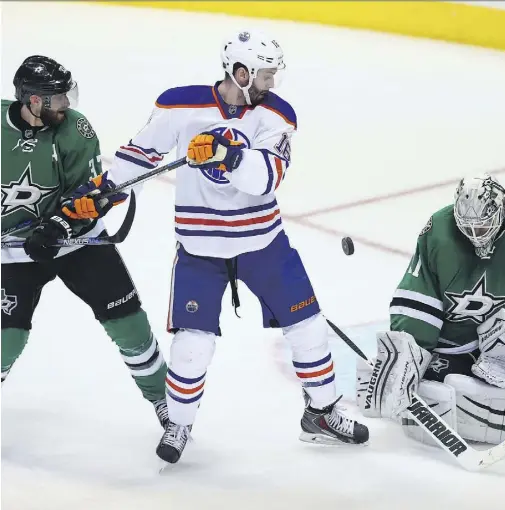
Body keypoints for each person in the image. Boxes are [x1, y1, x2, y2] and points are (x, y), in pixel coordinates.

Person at [63, 30, 369, 464]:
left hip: (264, 245)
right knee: (191, 346)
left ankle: (321, 413)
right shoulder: (180, 104)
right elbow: (142, 152)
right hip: (200, 249)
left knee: (310, 330)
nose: (272, 84)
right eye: (264, 75)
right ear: (240, 73)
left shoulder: (276, 115)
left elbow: (267, 178)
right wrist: (107, 189)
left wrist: (229, 156)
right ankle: (180, 423)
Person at [357, 174, 505, 443]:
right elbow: (417, 296)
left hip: (495, 339)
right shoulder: (438, 232)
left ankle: (498, 364)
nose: (474, 235)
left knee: (499, 381)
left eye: (482, 228)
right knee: (433, 384)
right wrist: (409, 349)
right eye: (467, 227)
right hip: (447, 343)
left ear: (502, 214)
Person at [1, 55, 169, 430]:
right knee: (5, 340)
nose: (66, 105)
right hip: (12, 251)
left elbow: (91, 198)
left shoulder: (76, 131)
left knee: (130, 325)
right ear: (32, 101)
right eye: (57, 99)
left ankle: (167, 403)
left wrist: (58, 227)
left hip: (77, 243)